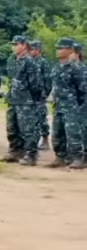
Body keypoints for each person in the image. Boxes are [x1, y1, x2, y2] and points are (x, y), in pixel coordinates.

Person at [0, 35, 44, 166]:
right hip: (13, 100)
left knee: (28, 129)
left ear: (24, 45)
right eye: (13, 44)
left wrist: (31, 99)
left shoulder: (30, 62)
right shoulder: (12, 60)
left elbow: (36, 84)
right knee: (12, 127)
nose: (14, 47)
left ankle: (31, 154)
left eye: (17, 44)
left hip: (26, 101)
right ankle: (15, 151)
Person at [46, 38, 86, 169]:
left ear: (70, 50)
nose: (58, 50)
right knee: (57, 133)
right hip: (59, 105)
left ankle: (78, 158)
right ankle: (60, 156)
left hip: (73, 106)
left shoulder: (77, 68)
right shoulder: (57, 67)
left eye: (61, 48)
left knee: (74, 133)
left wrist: (77, 106)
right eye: (57, 48)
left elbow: (83, 89)